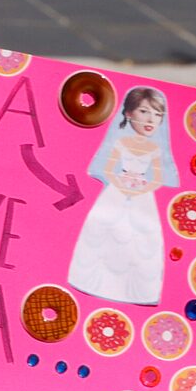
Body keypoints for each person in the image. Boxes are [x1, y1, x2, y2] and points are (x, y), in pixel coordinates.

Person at [67, 86, 179, 303]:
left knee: (141, 239)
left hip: (142, 197)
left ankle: (135, 293)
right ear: (129, 113)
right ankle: (94, 283)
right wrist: (120, 183)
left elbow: (156, 178)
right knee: (103, 233)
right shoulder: (121, 143)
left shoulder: (155, 150)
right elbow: (109, 169)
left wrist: (142, 188)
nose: (151, 119)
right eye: (144, 111)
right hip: (117, 191)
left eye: (157, 115)